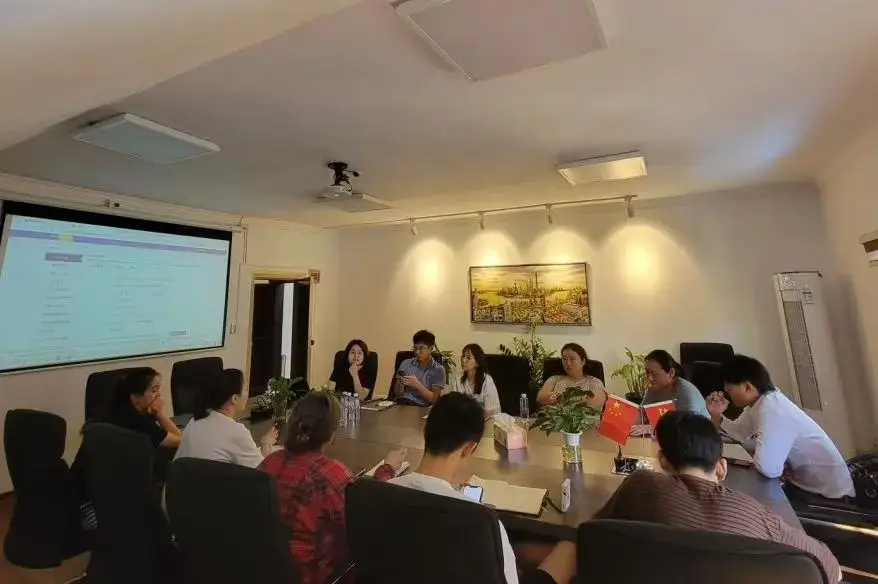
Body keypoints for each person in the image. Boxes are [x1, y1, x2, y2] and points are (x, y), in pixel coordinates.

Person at [594, 411, 841, 582]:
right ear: (721, 467)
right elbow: (832, 570)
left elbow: (593, 532)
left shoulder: (639, 486)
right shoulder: (754, 515)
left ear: (663, 460)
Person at [391, 393, 577, 584]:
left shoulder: (382, 492)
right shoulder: (481, 521)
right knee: (570, 547)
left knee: (520, 549)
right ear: (469, 449)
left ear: (425, 431)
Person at [259, 391, 407, 584]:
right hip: (316, 576)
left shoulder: (269, 462)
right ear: (331, 435)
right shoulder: (330, 475)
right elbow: (367, 519)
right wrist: (387, 470)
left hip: (263, 570)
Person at [706, 355, 854, 499]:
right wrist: (716, 415)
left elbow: (767, 468)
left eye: (730, 389)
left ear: (748, 387)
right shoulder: (761, 403)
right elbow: (740, 432)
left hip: (827, 495)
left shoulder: (772, 410)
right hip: (806, 484)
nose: (727, 394)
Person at [174, 368, 278, 467]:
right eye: (245, 389)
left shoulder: (194, 420)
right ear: (235, 398)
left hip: (179, 478)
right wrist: (265, 444)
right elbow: (260, 471)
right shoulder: (237, 432)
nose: (248, 393)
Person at [105, 367, 182, 450]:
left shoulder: (113, 412)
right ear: (135, 397)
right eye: (154, 391)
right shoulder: (140, 422)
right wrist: (159, 414)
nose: (158, 395)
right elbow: (179, 440)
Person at [536, 343, 607, 410]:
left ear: (583, 361)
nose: (568, 363)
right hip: (554, 418)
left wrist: (565, 398)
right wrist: (559, 397)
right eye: (564, 359)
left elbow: (593, 405)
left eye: (572, 359)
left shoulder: (594, 382)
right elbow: (540, 398)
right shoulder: (554, 379)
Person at [642, 349, 709, 417]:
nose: (649, 378)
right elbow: (641, 413)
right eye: (647, 372)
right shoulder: (654, 388)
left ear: (671, 373)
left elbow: (689, 422)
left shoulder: (685, 392)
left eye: (654, 374)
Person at [393, 329, 446, 406]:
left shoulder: (438, 370)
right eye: (415, 348)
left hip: (421, 407)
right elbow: (397, 394)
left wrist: (417, 385)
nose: (417, 352)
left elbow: (434, 399)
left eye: (421, 348)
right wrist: (400, 384)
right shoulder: (405, 363)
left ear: (431, 348)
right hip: (402, 404)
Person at [453, 343, 501, 417]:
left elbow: (489, 412)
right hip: (464, 419)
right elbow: (454, 405)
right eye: (463, 356)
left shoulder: (487, 381)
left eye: (468, 358)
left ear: (477, 363)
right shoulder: (458, 378)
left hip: (488, 419)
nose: (463, 360)